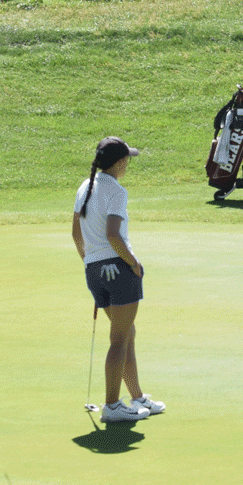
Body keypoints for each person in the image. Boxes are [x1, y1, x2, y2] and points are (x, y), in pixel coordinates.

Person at [72, 136, 164, 423]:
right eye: (127, 160)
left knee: (127, 334)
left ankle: (136, 397)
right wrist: (134, 264)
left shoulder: (84, 186)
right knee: (120, 339)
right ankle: (112, 406)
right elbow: (113, 234)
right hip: (118, 269)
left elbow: (76, 234)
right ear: (120, 162)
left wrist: (92, 264)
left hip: (94, 270)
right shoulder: (116, 191)